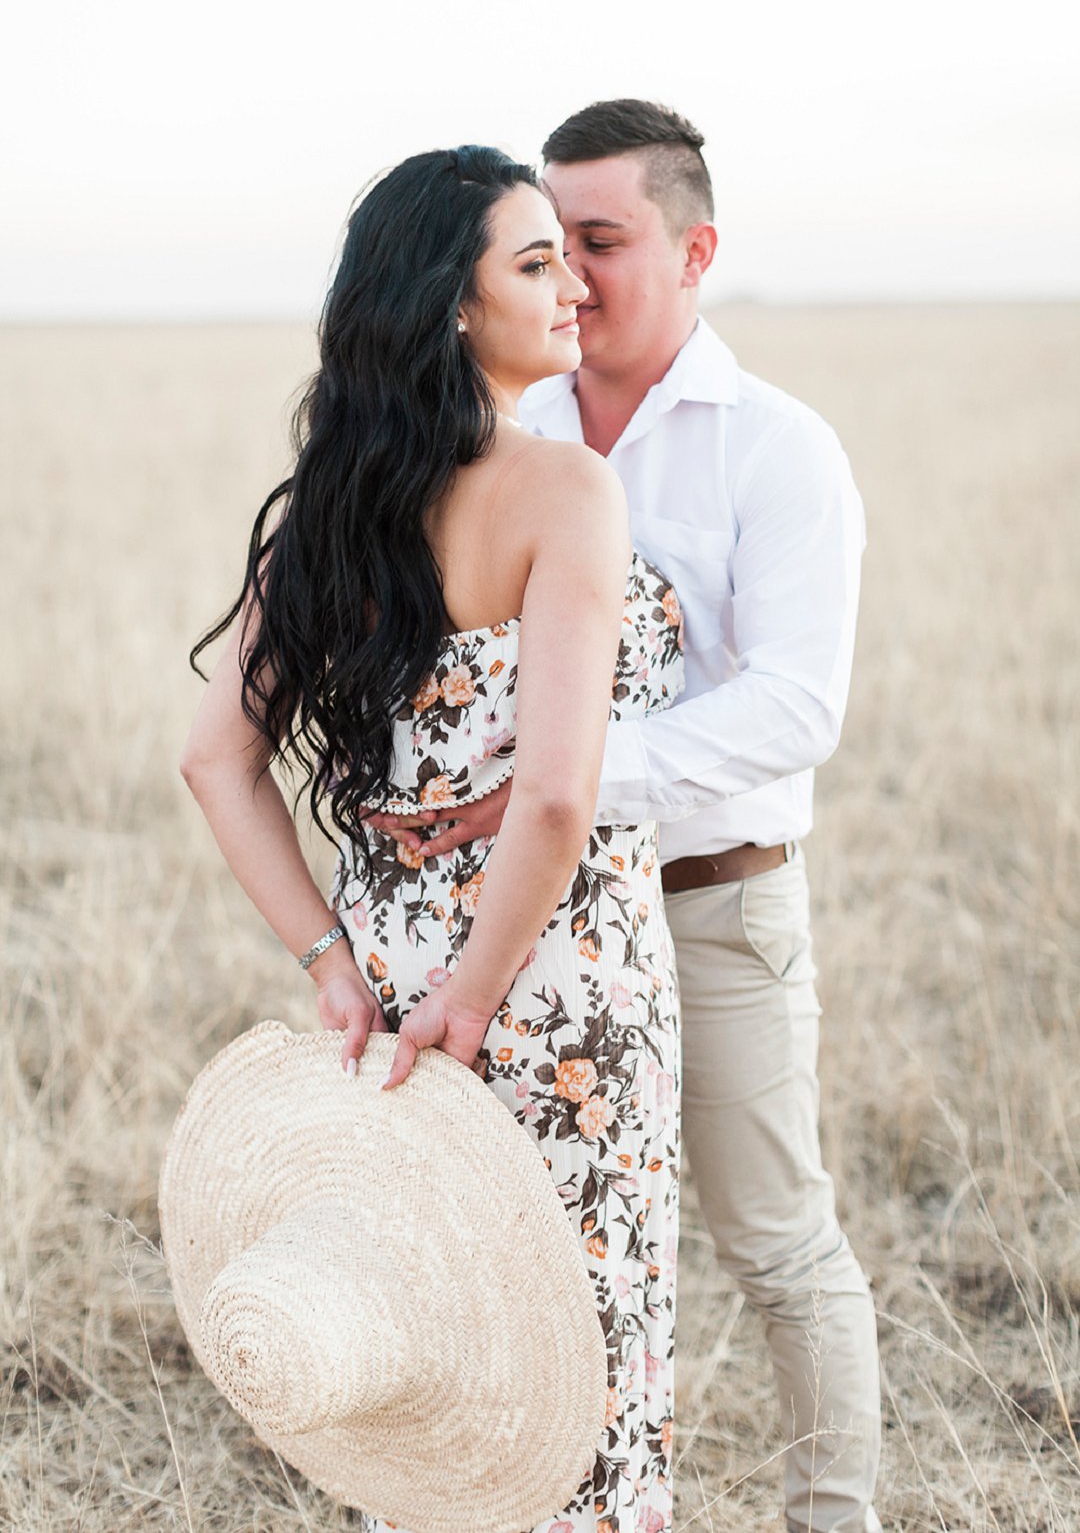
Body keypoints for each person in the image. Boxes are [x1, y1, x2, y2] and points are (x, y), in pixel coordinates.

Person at [373, 103, 882, 1533]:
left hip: (709, 904)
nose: (575, 281)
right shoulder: (504, 423)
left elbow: (797, 710)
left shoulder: (777, 450)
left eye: (602, 242)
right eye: (552, 247)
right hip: (528, 941)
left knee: (776, 1245)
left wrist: (571, 779)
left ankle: (833, 1518)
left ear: (696, 246)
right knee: (521, 1264)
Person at [180, 145, 684, 1533]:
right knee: (579, 1374)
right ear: (451, 308)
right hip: (554, 990)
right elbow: (559, 802)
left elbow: (213, 755)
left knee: (440, 1389)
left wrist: (336, 966)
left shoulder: (337, 514)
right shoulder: (566, 491)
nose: (573, 285)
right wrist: (476, 1002)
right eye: (535, 264)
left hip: (395, 994)